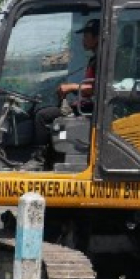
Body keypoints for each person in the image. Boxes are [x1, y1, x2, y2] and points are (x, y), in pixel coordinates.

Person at [27, 18, 98, 170]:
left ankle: (38, 159)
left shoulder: (101, 60)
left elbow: (96, 89)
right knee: (52, 116)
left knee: (42, 115)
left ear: (97, 38)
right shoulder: (95, 58)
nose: (83, 39)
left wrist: (71, 87)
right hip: (85, 105)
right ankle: (52, 158)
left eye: (86, 36)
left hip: (90, 110)